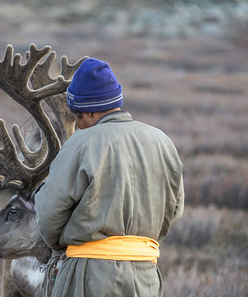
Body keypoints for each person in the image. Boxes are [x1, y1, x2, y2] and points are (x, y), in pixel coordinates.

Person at [34, 58, 184, 297]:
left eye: (78, 118)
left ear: (90, 110)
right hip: (145, 278)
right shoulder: (162, 142)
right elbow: (175, 210)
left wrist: (67, 243)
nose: (79, 125)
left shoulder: (81, 144)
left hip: (87, 277)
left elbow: (49, 213)